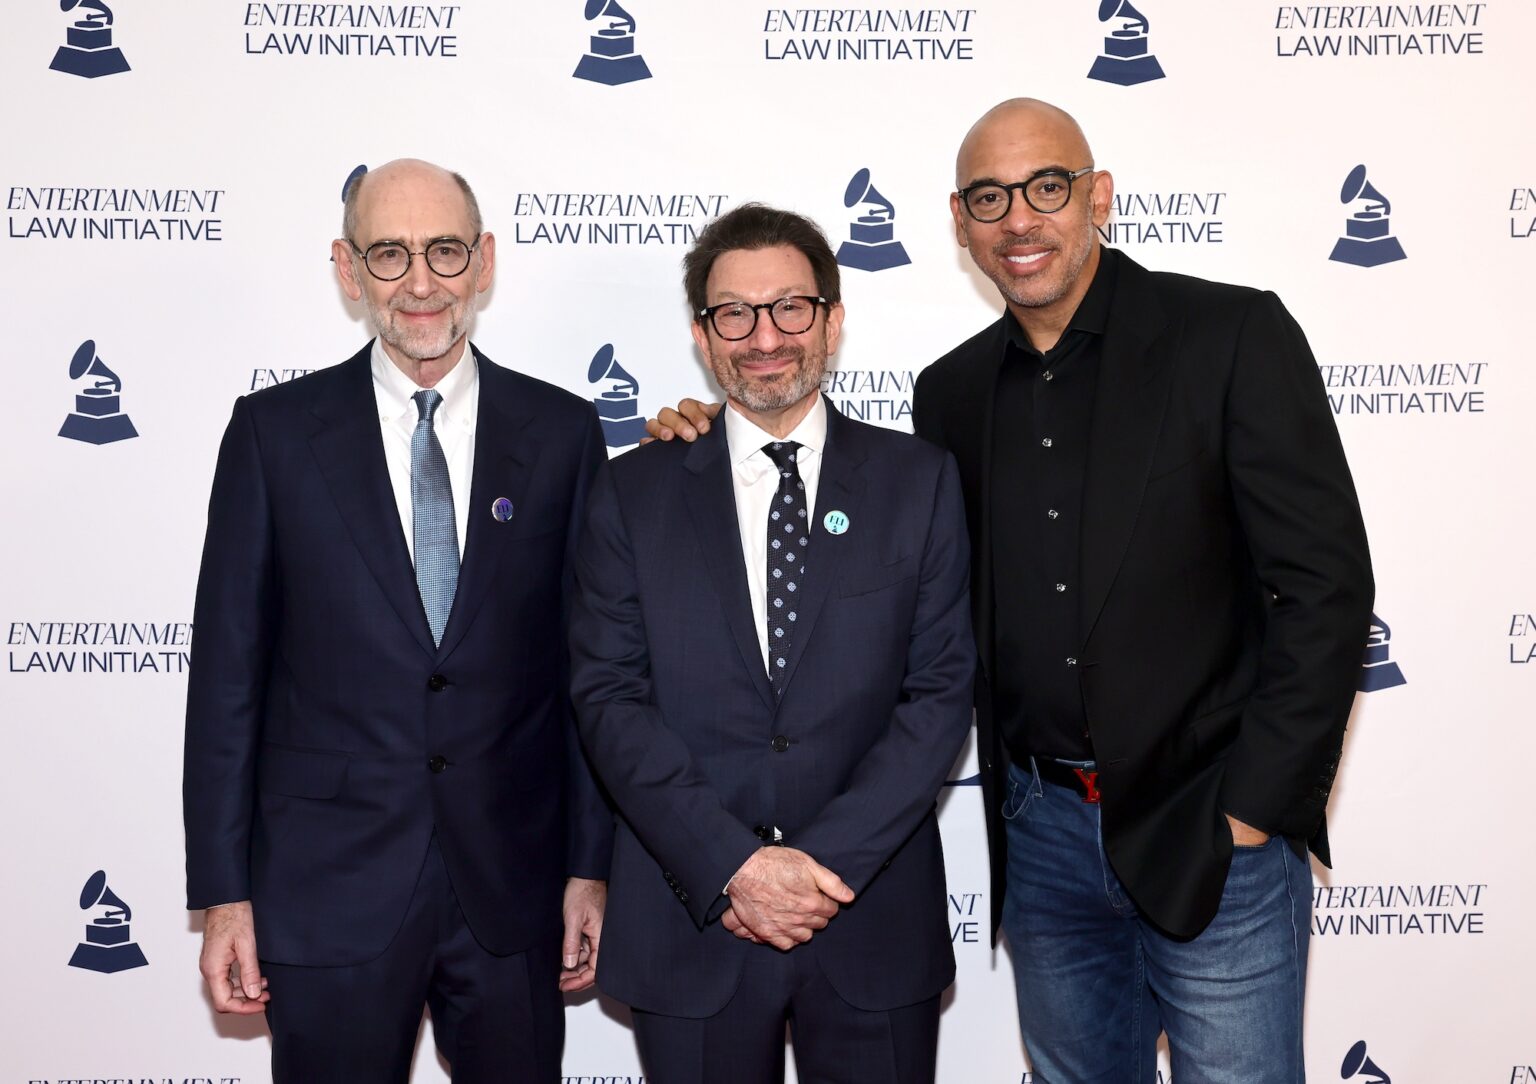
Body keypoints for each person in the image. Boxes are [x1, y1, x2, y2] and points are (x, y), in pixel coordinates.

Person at [648, 100, 1374, 1084]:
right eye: (990, 197)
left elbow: (1325, 588)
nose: (1018, 219)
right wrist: (714, 436)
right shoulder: (950, 394)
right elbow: (854, 517)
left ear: (1098, 196)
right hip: (1044, 839)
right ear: (960, 221)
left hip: (1212, 830)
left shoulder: (1229, 335)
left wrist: (1254, 809)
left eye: (1045, 188)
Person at [183, 158, 612, 1084]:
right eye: (389, 254)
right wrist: (223, 896)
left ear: (484, 261)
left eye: (445, 250)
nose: (421, 282)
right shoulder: (272, 435)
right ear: (347, 270)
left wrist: (590, 865)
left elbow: (590, 678)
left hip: (514, 889)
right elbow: (226, 681)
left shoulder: (564, 434)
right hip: (326, 888)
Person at [569, 203, 974, 1084]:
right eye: (735, 314)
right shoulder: (629, 495)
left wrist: (817, 868)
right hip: (693, 919)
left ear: (832, 319)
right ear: (702, 336)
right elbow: (608, 698)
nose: (766, 337)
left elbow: (940, 694)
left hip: (871, 919)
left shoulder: (920, 483)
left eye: (791, 307)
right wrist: (734, 869)